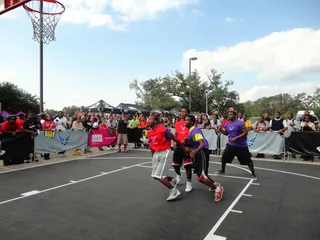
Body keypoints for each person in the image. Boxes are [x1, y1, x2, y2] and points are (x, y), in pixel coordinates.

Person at [184, 115, 224, 202]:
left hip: (201, 152)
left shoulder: (195, 131)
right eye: (185, 120)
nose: (185, 121)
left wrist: (195, 151)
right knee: (203, 173)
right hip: (199, 152)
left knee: (200, 177)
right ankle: (214, 184)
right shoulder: (191, 130)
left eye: (187, 120)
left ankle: (217, 188)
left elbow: (201, 144)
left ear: (192, 122)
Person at [147, 114, 184, 201]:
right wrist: (153, 156)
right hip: (156, 153)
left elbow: (175, 139)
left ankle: (174, 190)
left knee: (160, 176)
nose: (148, 121)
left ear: (155, 121)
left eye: (150, 119)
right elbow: (151, 146)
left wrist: (184, 148)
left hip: (165, 152)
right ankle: (174, 180)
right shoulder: (149, 132)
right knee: (155, 176)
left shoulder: (164, 131)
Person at [216, 111, 257, 179]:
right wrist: (220, 129)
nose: (229, 116)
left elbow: (245, 132)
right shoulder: (227, 124)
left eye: (231, 114)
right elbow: (226, 133)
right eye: (228, 114)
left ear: (235, 116)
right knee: (224, 157)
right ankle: (223, 170)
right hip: (231, 144)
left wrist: (236, 138)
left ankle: (253, 173)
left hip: (241, 145)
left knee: (248, 160)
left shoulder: (240, 123)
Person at [172, 108, 193, 192]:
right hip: (178, 146)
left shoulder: (191, 123)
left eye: (184, 111)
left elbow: (192, 133)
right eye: (181, 111)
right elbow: (175, 134)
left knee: (187, 166)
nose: (182, 113)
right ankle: (178, 175)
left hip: (186, 146)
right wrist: (173, 142)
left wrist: (186, 140)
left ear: (188, 113)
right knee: (175, 164)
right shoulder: (177, 124)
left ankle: (189, 182)